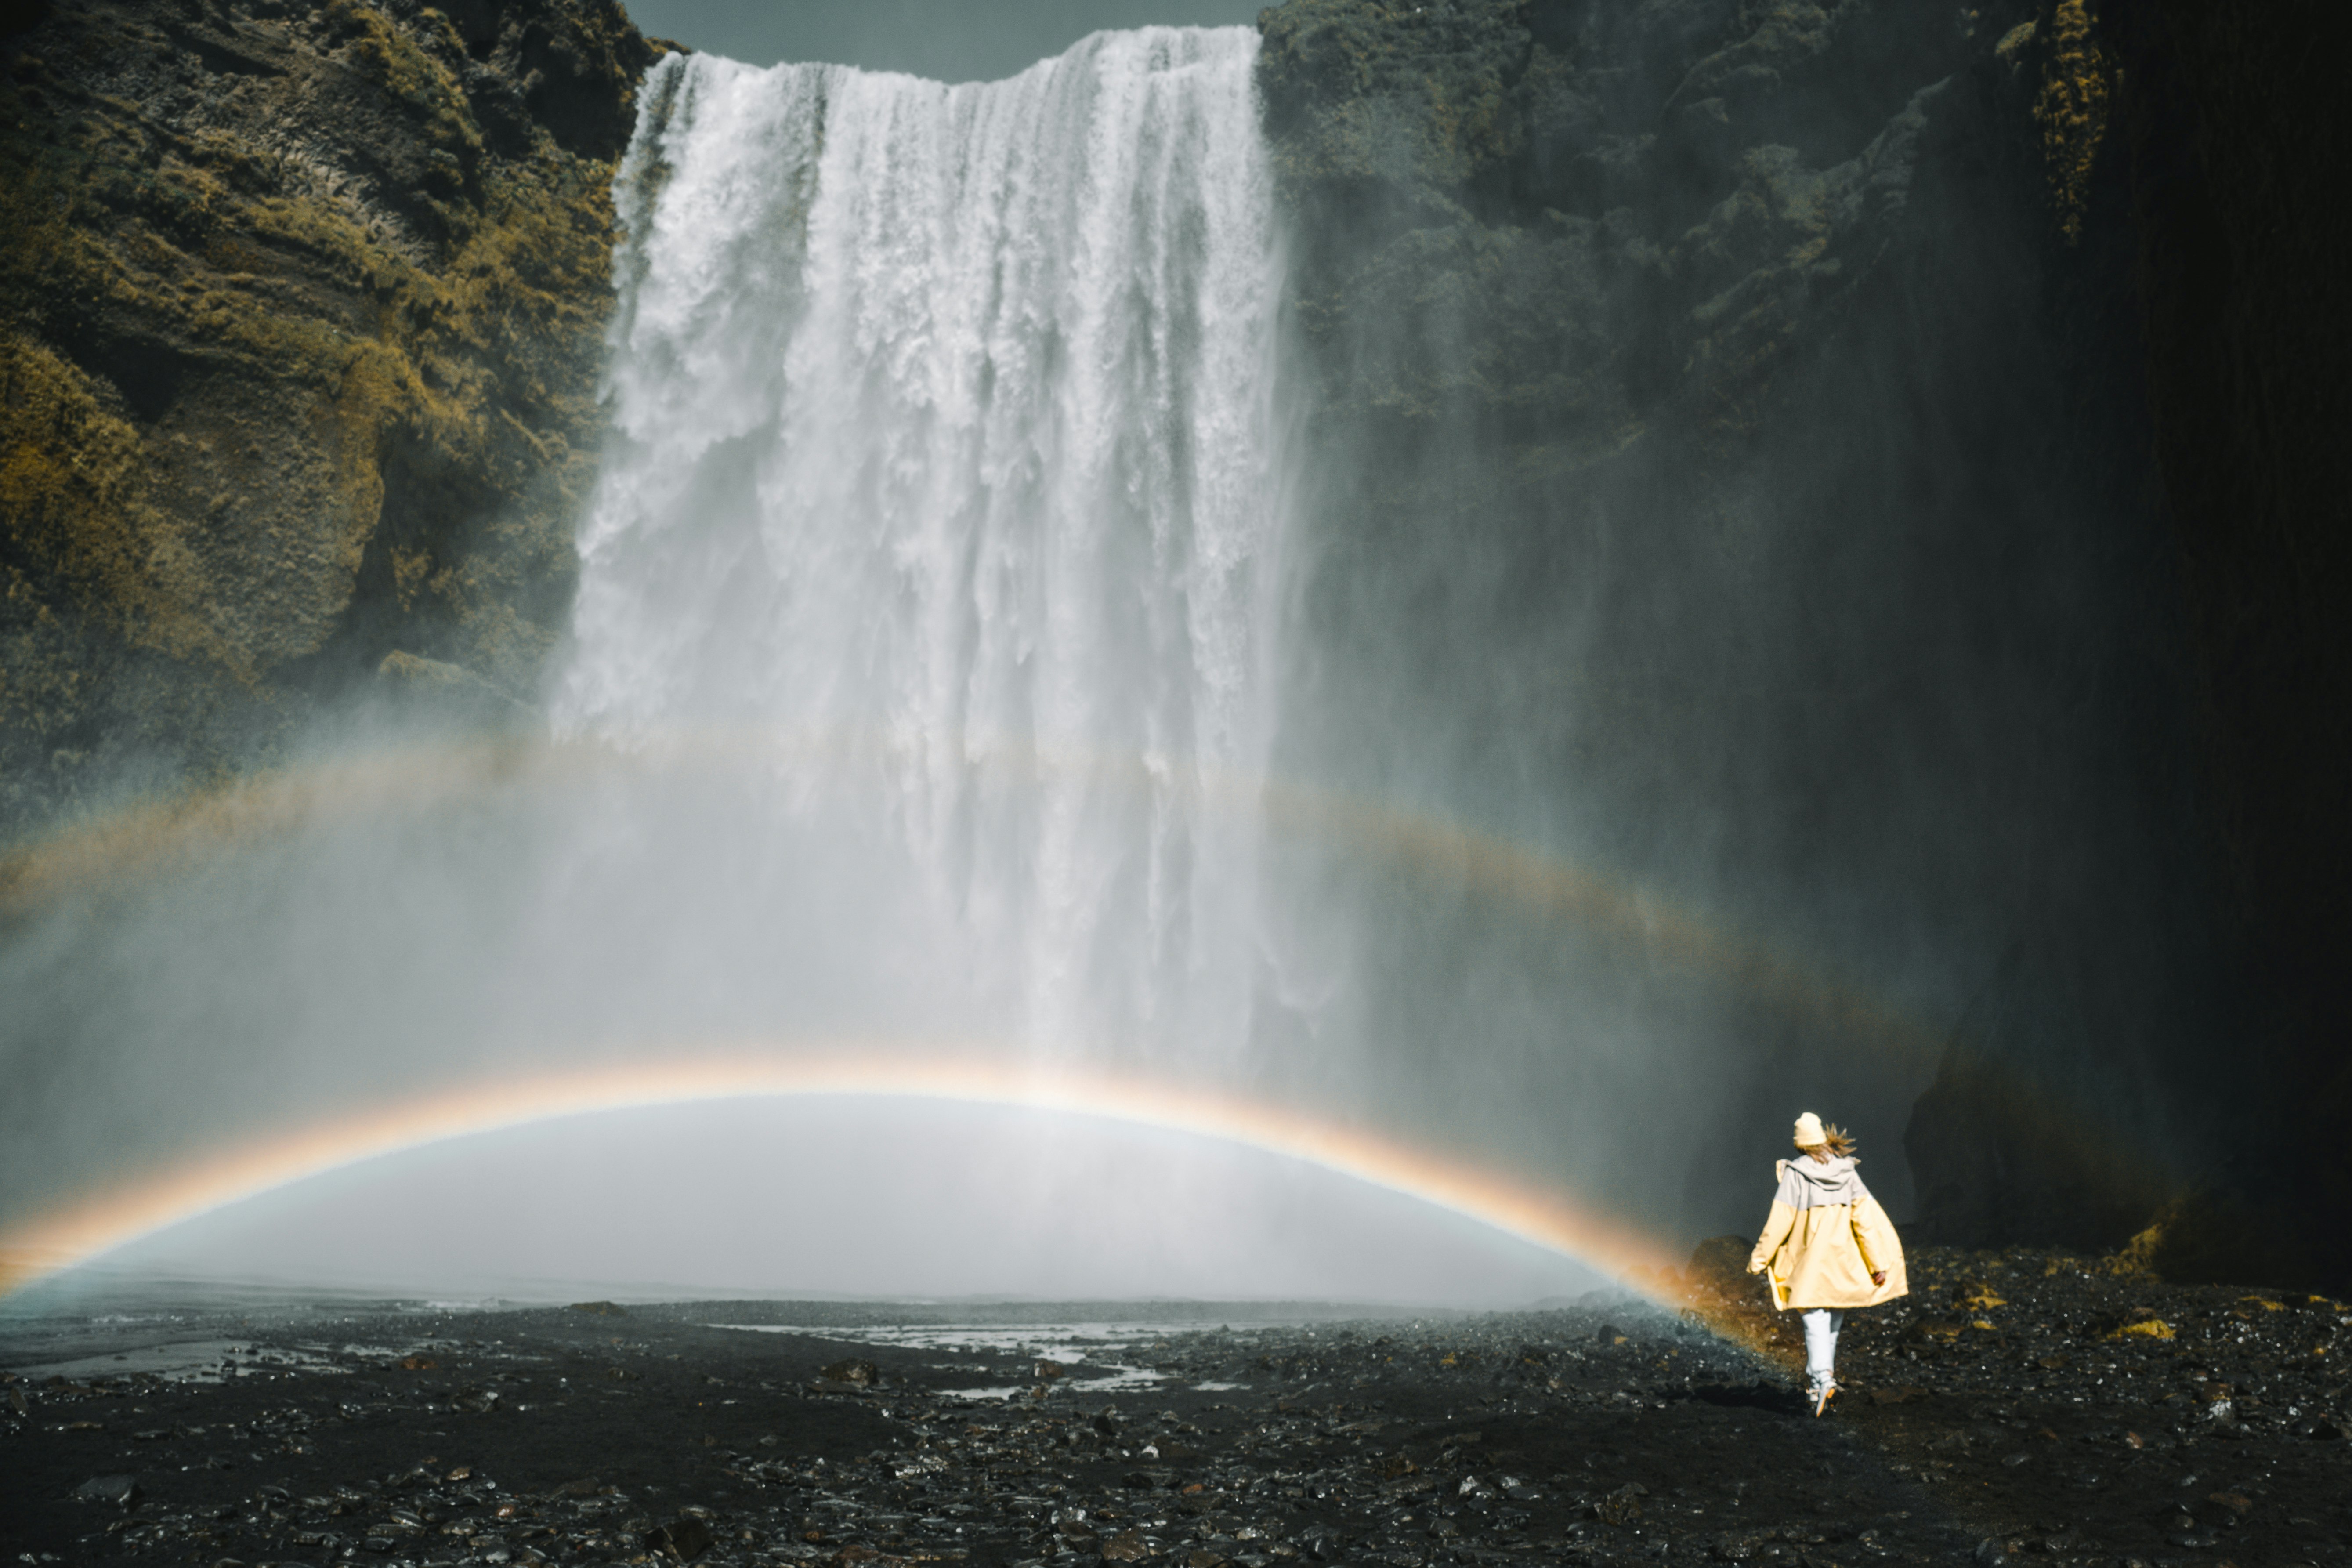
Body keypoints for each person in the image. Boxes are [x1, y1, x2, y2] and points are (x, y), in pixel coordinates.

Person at [1747, 1110, 1908, 1415]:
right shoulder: (1848, 1173)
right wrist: (1877, 1265)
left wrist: (1759, 1259)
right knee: (1830, 1326)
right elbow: (1866, 1222)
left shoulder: (1796, 1175)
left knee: (1814, 1321)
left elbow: (1779, 1222)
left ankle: (1823, 1380)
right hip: (1843, 1263)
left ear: (1800, 1144)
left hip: (1810, 1264)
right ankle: (1817, 1390)